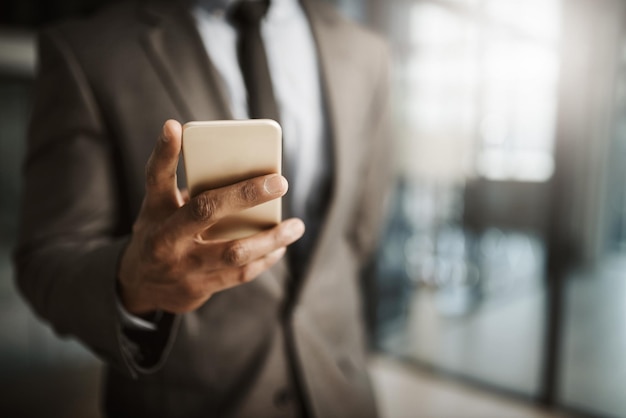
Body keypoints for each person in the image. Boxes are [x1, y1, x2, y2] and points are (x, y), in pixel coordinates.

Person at [14, 0, 392, 416]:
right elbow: (46, 259)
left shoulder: (366, 52)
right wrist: (134, 284)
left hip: (342, 396)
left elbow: (359, 234)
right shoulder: (88, 52)